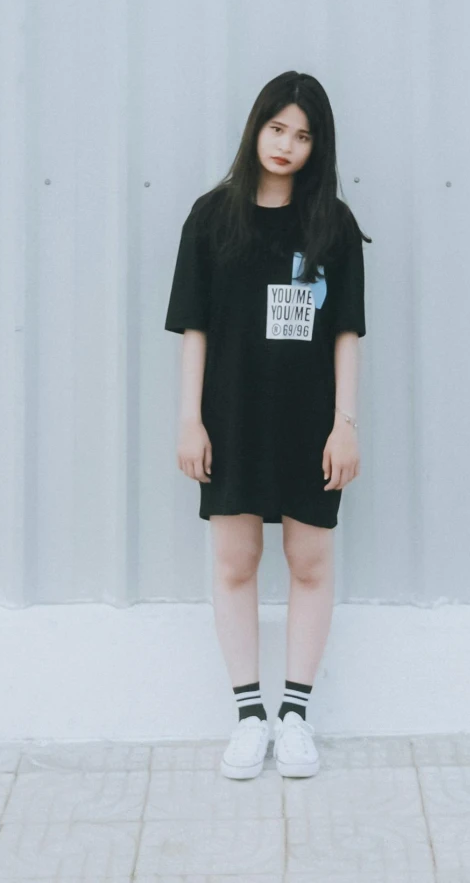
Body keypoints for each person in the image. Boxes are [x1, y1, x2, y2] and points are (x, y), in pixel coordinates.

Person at [165, 71, 369, 780]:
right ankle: (249, 716)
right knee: (235, 561)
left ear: (319, 146)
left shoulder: (332, 227)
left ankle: (296, 717)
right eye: (278, 128)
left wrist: (345, 424)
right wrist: (190, 419)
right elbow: (194, 327)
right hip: (232, 419)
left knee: (310, 564)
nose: (288, 144)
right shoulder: (212, 216)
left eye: (305, 135)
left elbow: (346, 332)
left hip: (310, 422)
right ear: (257, 127)